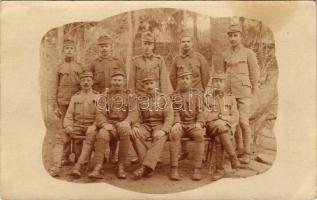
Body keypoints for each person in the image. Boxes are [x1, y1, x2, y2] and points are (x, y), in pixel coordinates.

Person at [220, 23, 260, 164]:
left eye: (235, 35)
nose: (232, 39)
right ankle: (239, 148)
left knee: (243, 121)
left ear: (241, 37)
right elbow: (225, 73)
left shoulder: (248, 53)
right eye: (230, 36)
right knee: (234, 121)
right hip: (229, 92)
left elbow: (255, 74)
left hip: (244, 92)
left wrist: (254, 93)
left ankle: (247, 152)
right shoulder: (226, 53)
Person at [169, 32, 211, 160]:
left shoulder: (199, 58)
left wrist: (201, 92)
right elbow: (172, 77)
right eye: (183, 42)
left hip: (197, 93)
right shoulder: (177, 59)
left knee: (198, 119)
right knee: (182, 118)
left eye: (188, 41)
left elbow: (206, 76)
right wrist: (179, 90)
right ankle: (183, 150)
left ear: (192, 43)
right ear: (180, 44)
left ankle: (201, 152)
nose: (186, 44)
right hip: (181, 94)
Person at [49, 71, 98, 177]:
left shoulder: (98, 97)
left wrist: (94, 126)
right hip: (77, 126)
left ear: (92, 82)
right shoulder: (75, 97)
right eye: (83, 80)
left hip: (91, 127)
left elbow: (101, 116)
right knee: (60, 137)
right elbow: (69, 114)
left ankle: (78, 166)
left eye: (88, 80)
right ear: (80, 83)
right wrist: (68, 126)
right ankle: (56, 166)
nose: (86, 83)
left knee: (91, 136)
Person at [88, 68, 132, 179]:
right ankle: (97, 167)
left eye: (120, 80)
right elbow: (100, 113)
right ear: (111, 82)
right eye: (115, 80)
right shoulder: (105, 96)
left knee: (126, 131)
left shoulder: (130, 96)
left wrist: (127, 122)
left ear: (124, 82)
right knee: (102, 134)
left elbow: (134, 113)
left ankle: (121, 166)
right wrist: (104, 124)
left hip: (123, 124)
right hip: (109, 124)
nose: (117, 83)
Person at [129, 71, 173, 180]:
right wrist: (135, 125)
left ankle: (144, 167)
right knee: (135, 134)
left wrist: (164, 130)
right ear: (143, 86)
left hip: (159, 125)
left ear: (157, 85)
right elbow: (135, 114)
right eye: (146, 84)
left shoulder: (164, 98)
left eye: (151, 83)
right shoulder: (139, 99)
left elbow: (169, 117)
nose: (149, 86)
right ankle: (148, 166)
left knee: (160, 136)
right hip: (146, 125)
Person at [52, 38, 85, 165]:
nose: (69, 51)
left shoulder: (81, 66)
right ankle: (65, 157)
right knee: (64, 129)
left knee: (77, 127)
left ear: (75, 51)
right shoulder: (59, 67)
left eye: (71, 48)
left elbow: (84, 83)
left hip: (78, 101)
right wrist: (55, 105)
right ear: (63, 51)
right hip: (63, 102)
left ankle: (78, 156)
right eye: (67, 48)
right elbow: (54, 86)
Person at [169, 66, 205, 181]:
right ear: (178, 81)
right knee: (174, 134)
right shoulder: (174, 95)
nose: (184, 81)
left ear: (191, 80)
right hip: (180, 124)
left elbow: (200, 111)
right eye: (182, 78)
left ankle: (197, 169)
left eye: (187, 78)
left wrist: (199, 123)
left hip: (193, 124)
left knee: (199, 135)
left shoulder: (197, 94)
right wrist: (177, 122)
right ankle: (174, 168)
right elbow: (174, 111)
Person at [205, 72, 241, 181]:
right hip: (211, 127)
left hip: (226, 126)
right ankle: (233, 157)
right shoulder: (206, 98)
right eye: (216, 81)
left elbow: (235, 116)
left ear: (224, 84)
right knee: (221, 128)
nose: (218, 84)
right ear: (212, 83)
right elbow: (205, 116)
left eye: (221, 81)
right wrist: (219, 117)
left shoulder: (231, 98)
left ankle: (219, 170)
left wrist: (224, 120)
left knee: (219, 137)